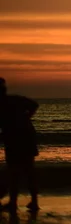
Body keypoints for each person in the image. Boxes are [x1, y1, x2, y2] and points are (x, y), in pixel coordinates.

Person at [0, 78, 40, 212]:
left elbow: (34, 105)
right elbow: (34, 105)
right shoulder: (15, 100)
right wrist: (26, 117)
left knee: (17, 171)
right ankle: (30, 202)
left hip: (19, 139)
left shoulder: (9, 102)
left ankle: (15, 202)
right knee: (26, 171)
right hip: (22, 137)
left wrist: (25, 118)